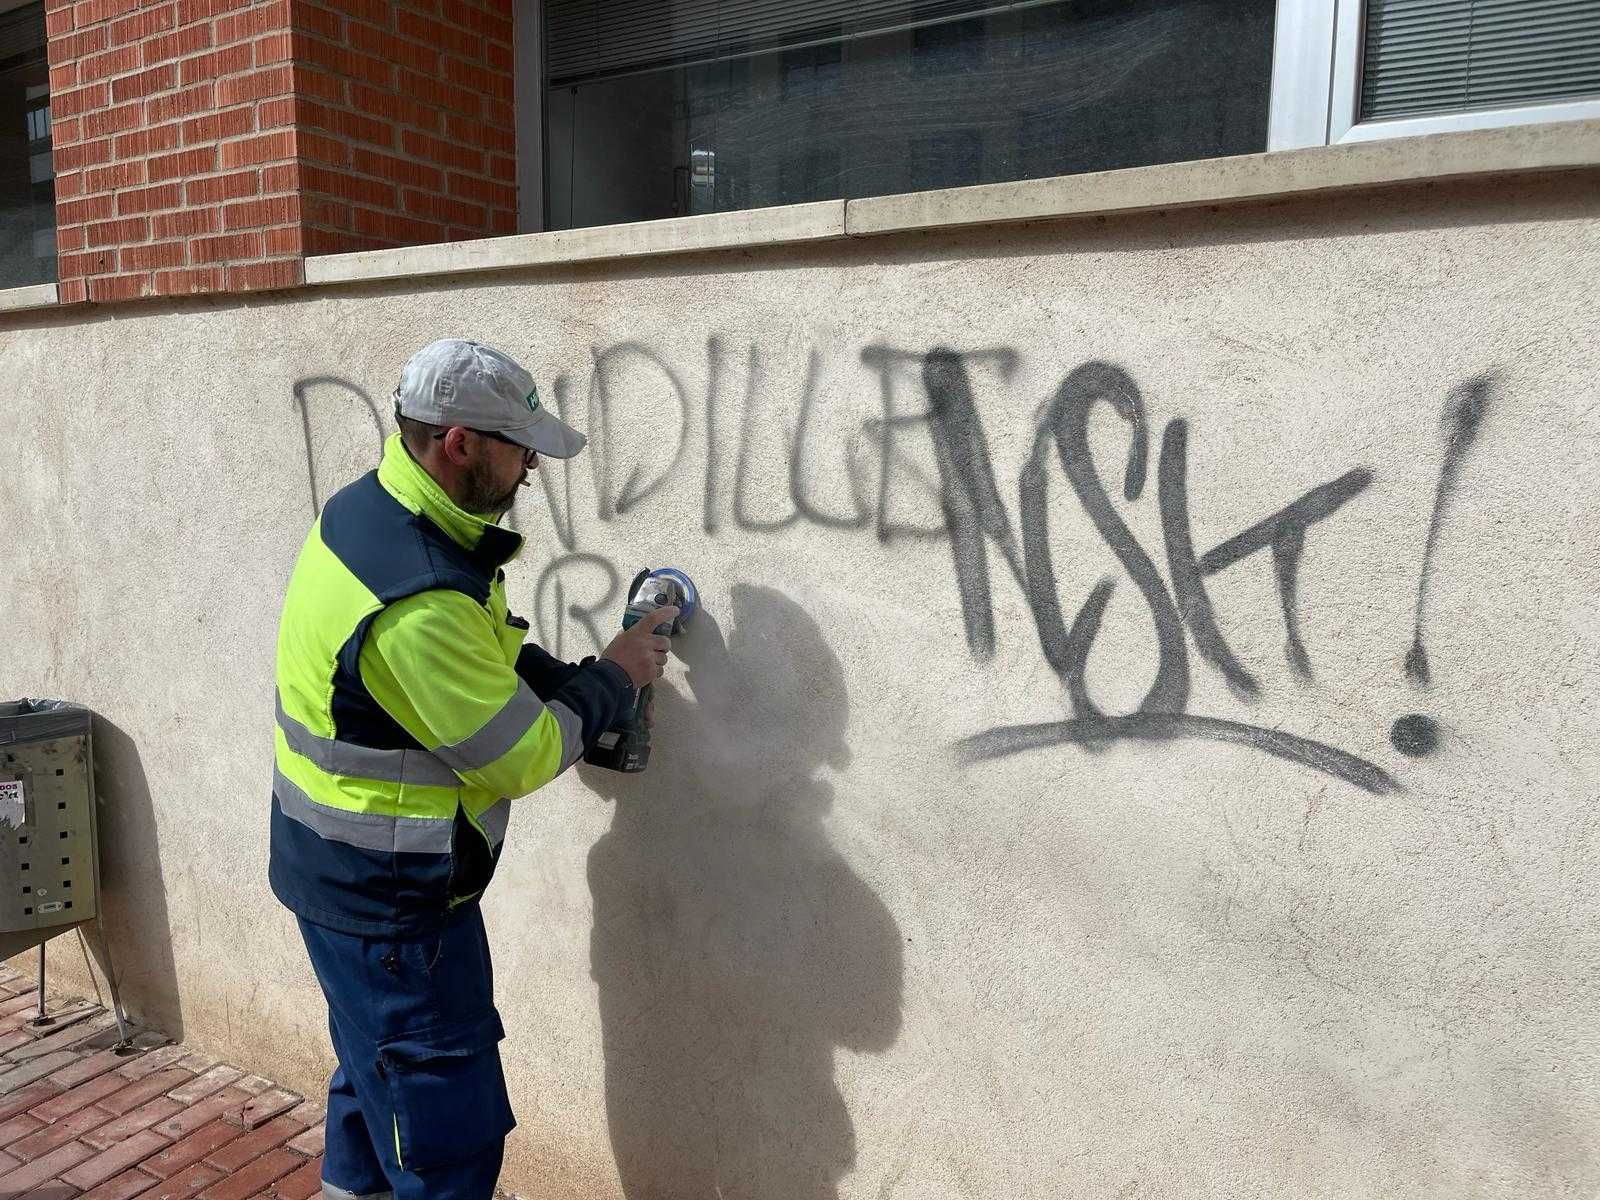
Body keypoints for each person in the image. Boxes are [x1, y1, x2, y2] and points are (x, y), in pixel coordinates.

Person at [268, 338, 674, 1200]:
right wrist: (615, 678)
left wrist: (567, 678)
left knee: (373, 1095)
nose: (531, 463)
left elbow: (480, 656)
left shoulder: (375, 514)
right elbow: (521, 753)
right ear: (458, 443)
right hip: (395, 917)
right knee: (444, 1145)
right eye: (517, 444)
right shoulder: (416, 600)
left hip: (339, 887)